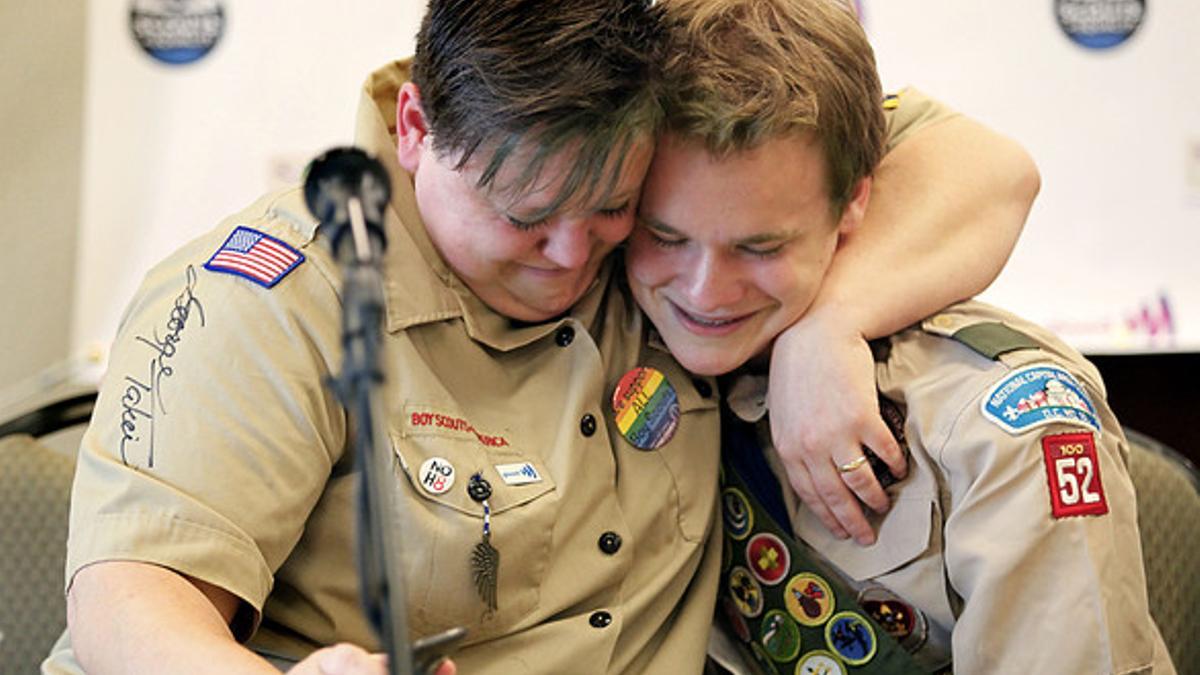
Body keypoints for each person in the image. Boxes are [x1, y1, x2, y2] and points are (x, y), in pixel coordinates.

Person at [45, 0, 1035, 673]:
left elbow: (987, 166)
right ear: (417, 128)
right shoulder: (276, 292)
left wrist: (833, 321)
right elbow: (129, 599)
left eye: (614, 208)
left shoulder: (669, 243)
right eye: (525, 216)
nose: (570, 259)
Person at [625, 0, 1174, 672]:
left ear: (856, 199)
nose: (705, 290)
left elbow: (998, 165)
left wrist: (827, 326)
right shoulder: (605, 320)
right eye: (664, 236)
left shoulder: (1002, 428)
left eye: (759, 246)